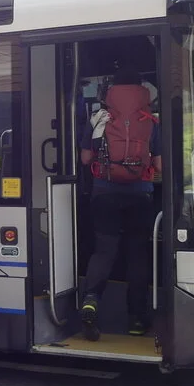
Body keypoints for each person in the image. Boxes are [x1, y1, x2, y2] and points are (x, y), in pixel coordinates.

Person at [78, 66, 161, 340]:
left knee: (105, 250)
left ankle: (91, 299)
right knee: (137, 253)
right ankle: (137, 318)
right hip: (140, 194)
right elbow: (159, 164)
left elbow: (86, 160)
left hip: (104, 192)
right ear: (142, 90)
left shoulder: (100, 117)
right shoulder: (150, 119)